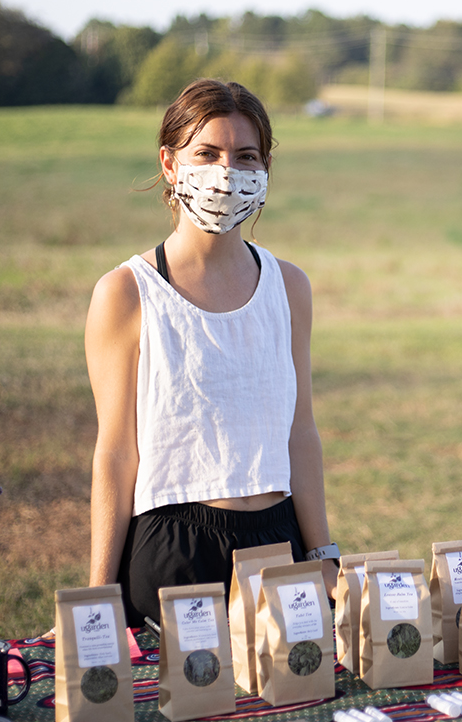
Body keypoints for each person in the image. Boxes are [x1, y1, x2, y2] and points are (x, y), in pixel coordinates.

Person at [85, 78, 338, 628]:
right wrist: (98, 597)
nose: (227, 172)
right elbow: (114, 452)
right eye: (207, 153)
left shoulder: (289, 286)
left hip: (279, 545)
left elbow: (302, 433)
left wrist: (324, 558)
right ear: (170, 165)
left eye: (246, 156)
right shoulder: (125, 293)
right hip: (173, 550)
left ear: (265, 170)